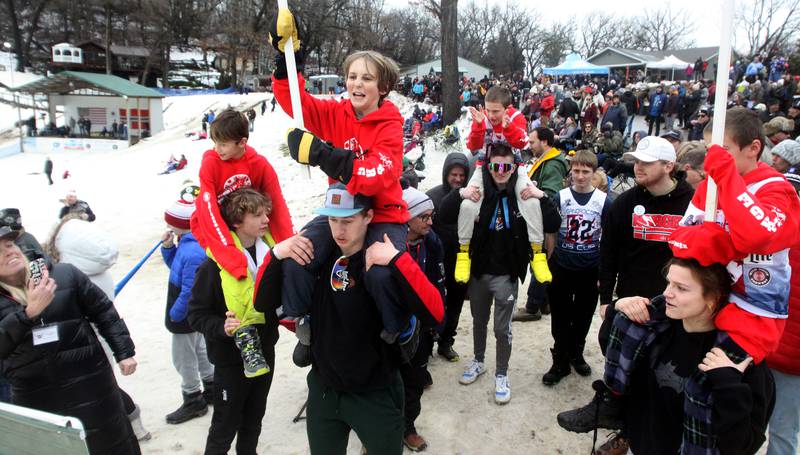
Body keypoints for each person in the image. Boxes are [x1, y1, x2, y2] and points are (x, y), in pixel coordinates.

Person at [256, 184, 444, 455]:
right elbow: (262, 304)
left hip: (375, 390)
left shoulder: (383, 262)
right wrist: (275, 255)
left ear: (368, 217)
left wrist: (397, 260)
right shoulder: (315, 259)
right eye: (332, 220)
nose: (339, 230)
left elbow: (435, 312)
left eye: (348, 221)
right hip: (324, 389)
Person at [270, 11, 414, 364]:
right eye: (352, 77)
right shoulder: (337, 113)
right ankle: (306, 319)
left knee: (380, 273)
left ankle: (400, 327)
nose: (357, 84)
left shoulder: (390, 125)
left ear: (383, 87)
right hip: (339, 213)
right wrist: (286, 58)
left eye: (367, 78)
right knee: (298, 253)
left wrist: (323, 155)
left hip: (382, 216)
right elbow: (296, 102)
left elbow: (378, 173)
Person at [558, 251, 774, 455]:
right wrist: (618, 309)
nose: (666, 293)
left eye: (681, 288)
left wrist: (729, 386)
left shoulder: (738, 360)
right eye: (669, 282)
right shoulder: (652, 328)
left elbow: (744, 446)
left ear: (714, 298)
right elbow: (612, 355)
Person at [188, 188, 310, 454]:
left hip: (265, 349)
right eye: (257, 215)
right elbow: (195, 314)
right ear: (236, 222)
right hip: (231, 359)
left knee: (254, 420)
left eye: (266, 212)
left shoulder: (274, 253)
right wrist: (221, 327)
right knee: (224, 425)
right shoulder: (213, 265)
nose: (266, 219)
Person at [0, 226, 141, 455]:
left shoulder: (63, 274)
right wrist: (27, 315)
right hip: (38, 398)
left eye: (9, 245)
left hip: (92, 384)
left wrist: (124, 352)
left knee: (112, 443)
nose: (9, 252)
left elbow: (103, 311)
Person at [681, 106, 800, 374]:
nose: (712, 159)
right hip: (707, 303)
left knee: (713, 387)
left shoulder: (777, 188)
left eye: (722, 150)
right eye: (709, 149)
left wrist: (727, 179)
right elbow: (680, 240)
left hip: (752, 316)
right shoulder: (708, 187)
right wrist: (715, 243)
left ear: (753, 148)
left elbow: (757, 237)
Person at [440, 144, 556, 404]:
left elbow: (553, 223)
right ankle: (479, 361)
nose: (501, 172)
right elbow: (445, 215)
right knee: (479, 322)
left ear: (514, 167)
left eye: (506, 166)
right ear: (488, 167)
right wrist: (460, 193)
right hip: (479, 272)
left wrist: (543, 196)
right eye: (495, 166)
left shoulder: (522, 194)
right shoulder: (480, 194)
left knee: (502, 329)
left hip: (506, 274)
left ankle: (501, 374)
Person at [190, 109, 294, 374]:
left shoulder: (258, 164)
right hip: (217, 229)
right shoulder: (211, 162)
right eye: (215, 142)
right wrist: (226, 249)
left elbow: (277, 202)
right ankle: (246, 335)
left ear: (242, 143)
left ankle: (290, 312)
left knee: (277, 258)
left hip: (248, 224)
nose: (217, 148)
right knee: (234, 272)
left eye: (223, 143)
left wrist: (287, 240)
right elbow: (208, 207)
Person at [598, 136, 694, 337]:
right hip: (632, 303)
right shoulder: (625, 202)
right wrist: (606, 300)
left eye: (647, 162)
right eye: (637, 161)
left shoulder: (693, 203)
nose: (638, 167)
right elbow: (608, 251)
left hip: (678, 306)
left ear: (668, 166)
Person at [457, 86, 550, 288]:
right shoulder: (483, 118)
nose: (491, 115)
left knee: (531, 201)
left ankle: (537, 253)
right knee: (467, 204)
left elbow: (523, 142)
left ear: (507, 109)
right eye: (488, 110)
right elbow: (473, 147)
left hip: (513, 168)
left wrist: (508, 127)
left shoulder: (517, 118)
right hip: (485, 167)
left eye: (496, 111)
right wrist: (479, 125)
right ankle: (463, 254)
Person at [543, 150, 612, 386]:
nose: (580, 176)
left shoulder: (604, 201)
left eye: (585, 172)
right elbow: (550, 231)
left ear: (594, 174)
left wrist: (604, 272)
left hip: (590, 267)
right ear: (570, 171)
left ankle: (576, 352)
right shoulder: (560, 197)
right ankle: (559, 358)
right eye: (576, 171)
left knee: (583, 316)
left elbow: (609, 238)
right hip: (562, 265)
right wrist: (549, 261)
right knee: (560, 316)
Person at [161, 186, 214, 425]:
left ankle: (192, 398)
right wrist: (168, 247)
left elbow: (190, 289)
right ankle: (211, 386)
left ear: (182, 224)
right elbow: (175, 267)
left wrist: (176, 314)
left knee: (183, 356)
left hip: (183, 311)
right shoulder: (187, 242)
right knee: (199, 348)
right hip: (186, 309)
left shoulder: (193, 250)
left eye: (171, 224)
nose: (168, 227)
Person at [398, 186, 446, 452]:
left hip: (420, 325)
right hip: (391, 325)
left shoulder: (432, 241)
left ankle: (408, 428)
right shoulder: (389, 242)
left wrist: (437, 321)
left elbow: (439, 283)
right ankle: (379, 433)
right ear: (407, 217)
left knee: (415, 380)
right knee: (386, 381)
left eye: (431, 216)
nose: (430, 221)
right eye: (424, 216)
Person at [515, 127, 568, 322]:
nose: (529, 145)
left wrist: (534, 190)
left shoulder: (552, 165)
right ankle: (544, 303)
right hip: (539, 220)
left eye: (532, 142)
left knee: (538, 261)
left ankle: (532, 307)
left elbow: (551, 194)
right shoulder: (546, 160)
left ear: (544, 142)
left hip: (543, 223)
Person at [426, 152, 470, 362]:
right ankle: (425, 344)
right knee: (430, 304)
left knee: (455, 305)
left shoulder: (471, 197)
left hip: (461, 262)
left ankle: (446, 343)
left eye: (462, 175)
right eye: (454, 174)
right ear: (446, 174)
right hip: (435, 263)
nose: (458, 179)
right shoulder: (432, 196)